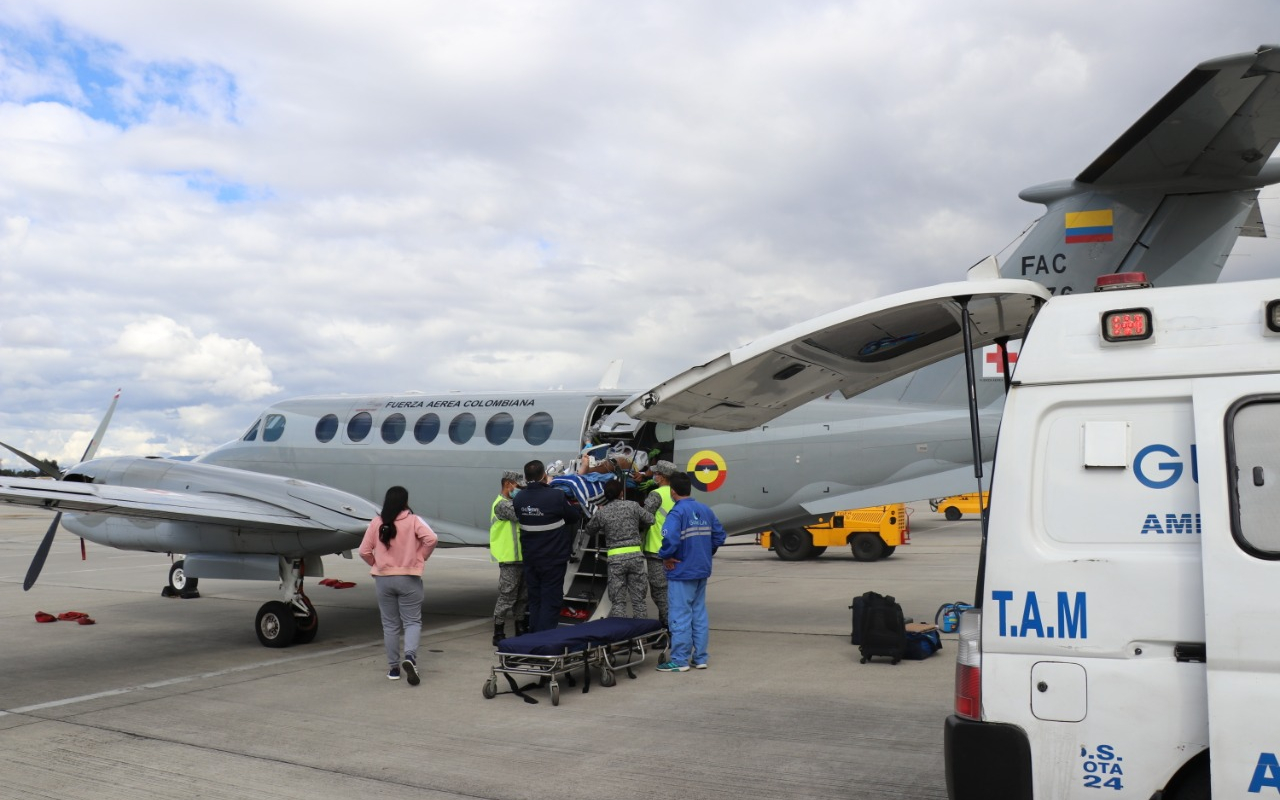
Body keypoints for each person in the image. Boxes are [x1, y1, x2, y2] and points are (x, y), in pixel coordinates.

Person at [359, 485, 438, 685]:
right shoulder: (413, 520)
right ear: (405, 502)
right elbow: (432, 538)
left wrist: (376, 564)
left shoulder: (376, 522)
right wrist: (420, 557)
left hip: (383, 579)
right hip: (408, 577)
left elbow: (364, 551)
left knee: (390, 625)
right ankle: (410, 657)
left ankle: (393, 668)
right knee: (412, 621)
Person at [656, 471, 727, 673]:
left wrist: (665, 556)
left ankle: (679, 660)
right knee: (699, 614)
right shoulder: (705, 510)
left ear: (672, 492)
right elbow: (720, 536)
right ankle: (701, 657)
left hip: (681, 571)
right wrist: (706, 552)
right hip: (701, 569)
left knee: (679, 615)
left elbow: (670, 539)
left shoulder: (677, 513)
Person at [514, 459, 582, 632]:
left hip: (531, 559)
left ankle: (534, 634)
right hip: (552, 559)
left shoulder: (519, 498)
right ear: (544, 475)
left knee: (535, 599)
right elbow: (573, 516)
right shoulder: (555, 496)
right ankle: (545, 639)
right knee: (551, 600)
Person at [584, 478, 655, 618]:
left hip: (616, 560)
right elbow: (650, 519)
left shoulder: (603, 512)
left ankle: (620, 635)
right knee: (639, 601)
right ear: (621, 493)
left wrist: (599, 514)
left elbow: (589, 530)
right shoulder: (633, 506)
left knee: (618, 603)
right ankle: (642, 637)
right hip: (635, 557)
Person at [490, 470, 528, 646]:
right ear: (508, 484)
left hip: (522, 558)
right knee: (507, 596)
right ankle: (498, 631)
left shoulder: (512, 502)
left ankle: (520, 627)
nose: (520, 490)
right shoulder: (502, 505)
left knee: (522, 596)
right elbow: (522, 514)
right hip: (509, 559)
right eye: (518, 486)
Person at [641, 460, 678, 627]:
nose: (653, 475)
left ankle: (672, 629)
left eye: (656, 473)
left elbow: (644, 517)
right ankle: (667, 629)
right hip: (675, 549)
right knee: (672, 593)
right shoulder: (677, 494)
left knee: (659, 592)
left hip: (657, 550)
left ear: (662, 477)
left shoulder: (656, 494)